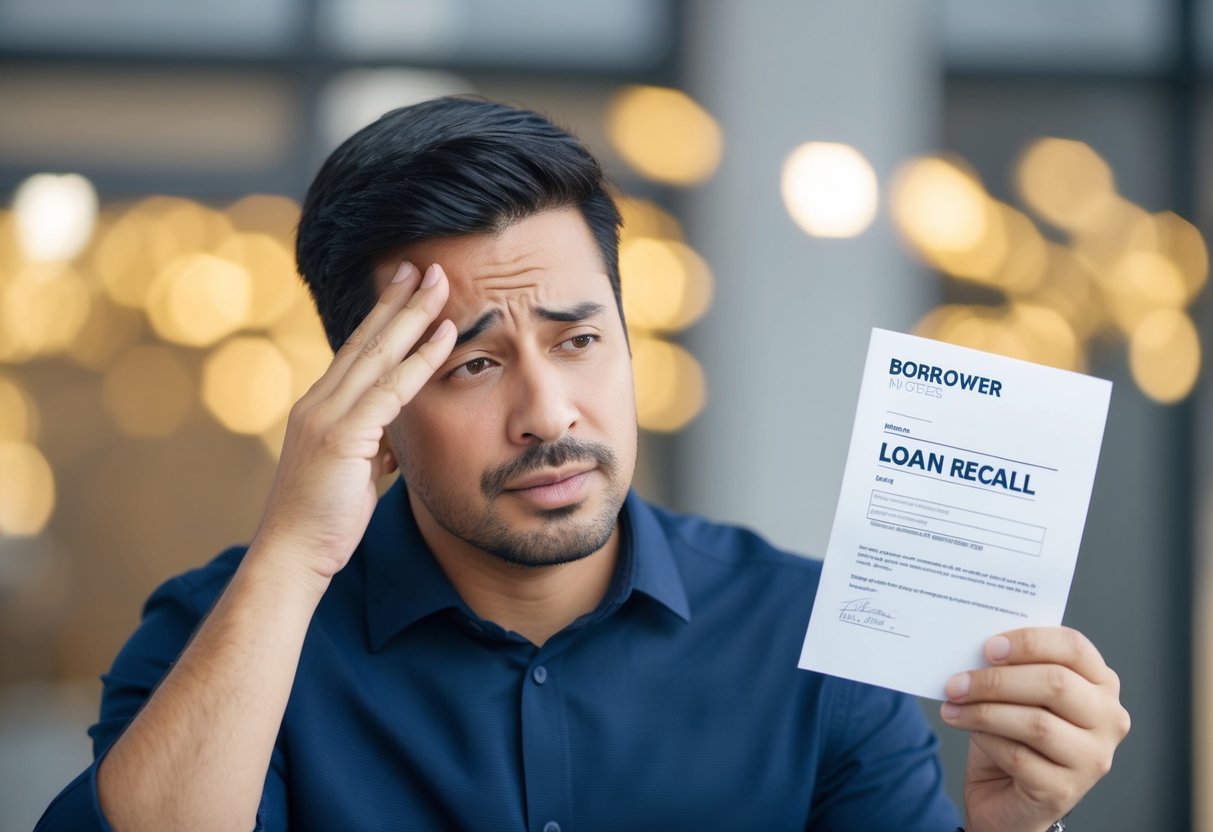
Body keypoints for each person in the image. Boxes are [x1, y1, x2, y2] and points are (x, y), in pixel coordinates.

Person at [37, 97, 1129, 832]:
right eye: (470, 365)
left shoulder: (815, 646)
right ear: (365, 397)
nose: (546, 411)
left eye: (578, 339)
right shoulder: (217, 636)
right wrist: (293, 546)